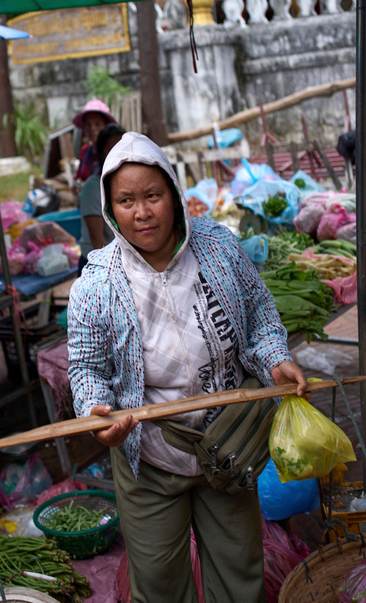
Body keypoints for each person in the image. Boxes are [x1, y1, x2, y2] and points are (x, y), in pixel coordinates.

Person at [66, 132, 307, 603]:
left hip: (227, 442)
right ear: (109, 208)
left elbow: (258, 311)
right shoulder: (97, 285)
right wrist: (97, 409)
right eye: (126, 200)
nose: (142, 212)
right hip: (150, 457)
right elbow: (87, 367)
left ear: (174, 194)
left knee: (240, 576)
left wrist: (276, 357)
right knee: (158, 586)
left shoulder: (216, 247)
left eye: (153, 196)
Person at [77, 122, 123, 271]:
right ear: (105, 151)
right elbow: (98, 241)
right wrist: (117, 272)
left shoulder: (124, 183)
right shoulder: (94, 187)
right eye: (116, 147)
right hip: (99, 264)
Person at [72, 98, 118, 183]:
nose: (92, 128)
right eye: (88, 125)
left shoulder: (114, 152)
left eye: (97, 124)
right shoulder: (84, 151)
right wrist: (77, 186)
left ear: (106, 125)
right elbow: (78, 178)